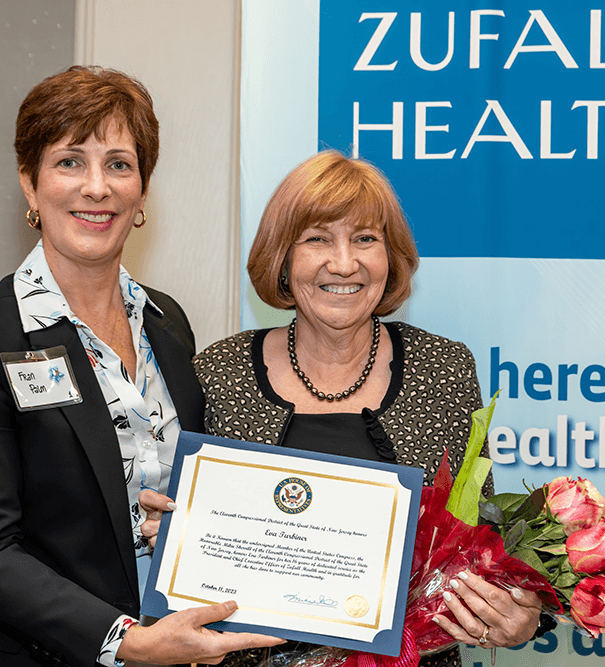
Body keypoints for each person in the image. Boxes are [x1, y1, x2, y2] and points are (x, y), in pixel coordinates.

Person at [0, 66, 282, 667]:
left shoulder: (167, 323)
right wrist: (127, 642)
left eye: (118, 164)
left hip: (163, 651)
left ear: (142, 191)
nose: (96, 187)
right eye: (69, 162)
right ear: (30, 185)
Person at [193, 151, 546, 667]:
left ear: (391, 257)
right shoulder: (220, 372)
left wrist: (517, 615)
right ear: (283, 260)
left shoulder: (442, 368)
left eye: (365, 239)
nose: (344, 263)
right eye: (317, 239)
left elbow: (476, 543)